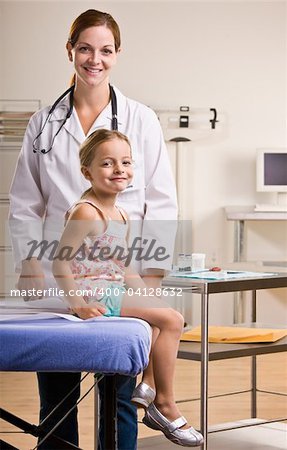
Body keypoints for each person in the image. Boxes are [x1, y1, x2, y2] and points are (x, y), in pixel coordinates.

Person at [8, 8, 178, 450]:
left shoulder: (140, 120)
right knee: (58, 393)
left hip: (120, 275)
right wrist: (28, 266)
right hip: (55, 273)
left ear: (117, 54)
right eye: (85, 48)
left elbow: (161, 201)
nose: (94, 59)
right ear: (71, 51)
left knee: (118, 393)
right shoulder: (43, 123)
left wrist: (152, 280)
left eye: (105, 50)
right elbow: (26, 204)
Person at [52, 128, 203, 447]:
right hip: (94, 295)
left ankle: (147, 387)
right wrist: (79, 304)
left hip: (112, 288)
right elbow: (60, 264)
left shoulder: (121, 214)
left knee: (170, 316)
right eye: (107, 163)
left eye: (126, 162)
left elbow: (122, 268)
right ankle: (164, 404)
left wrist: (151, 295)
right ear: (87, 172)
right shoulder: (86, 212)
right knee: (171, 321)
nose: (119, 169)